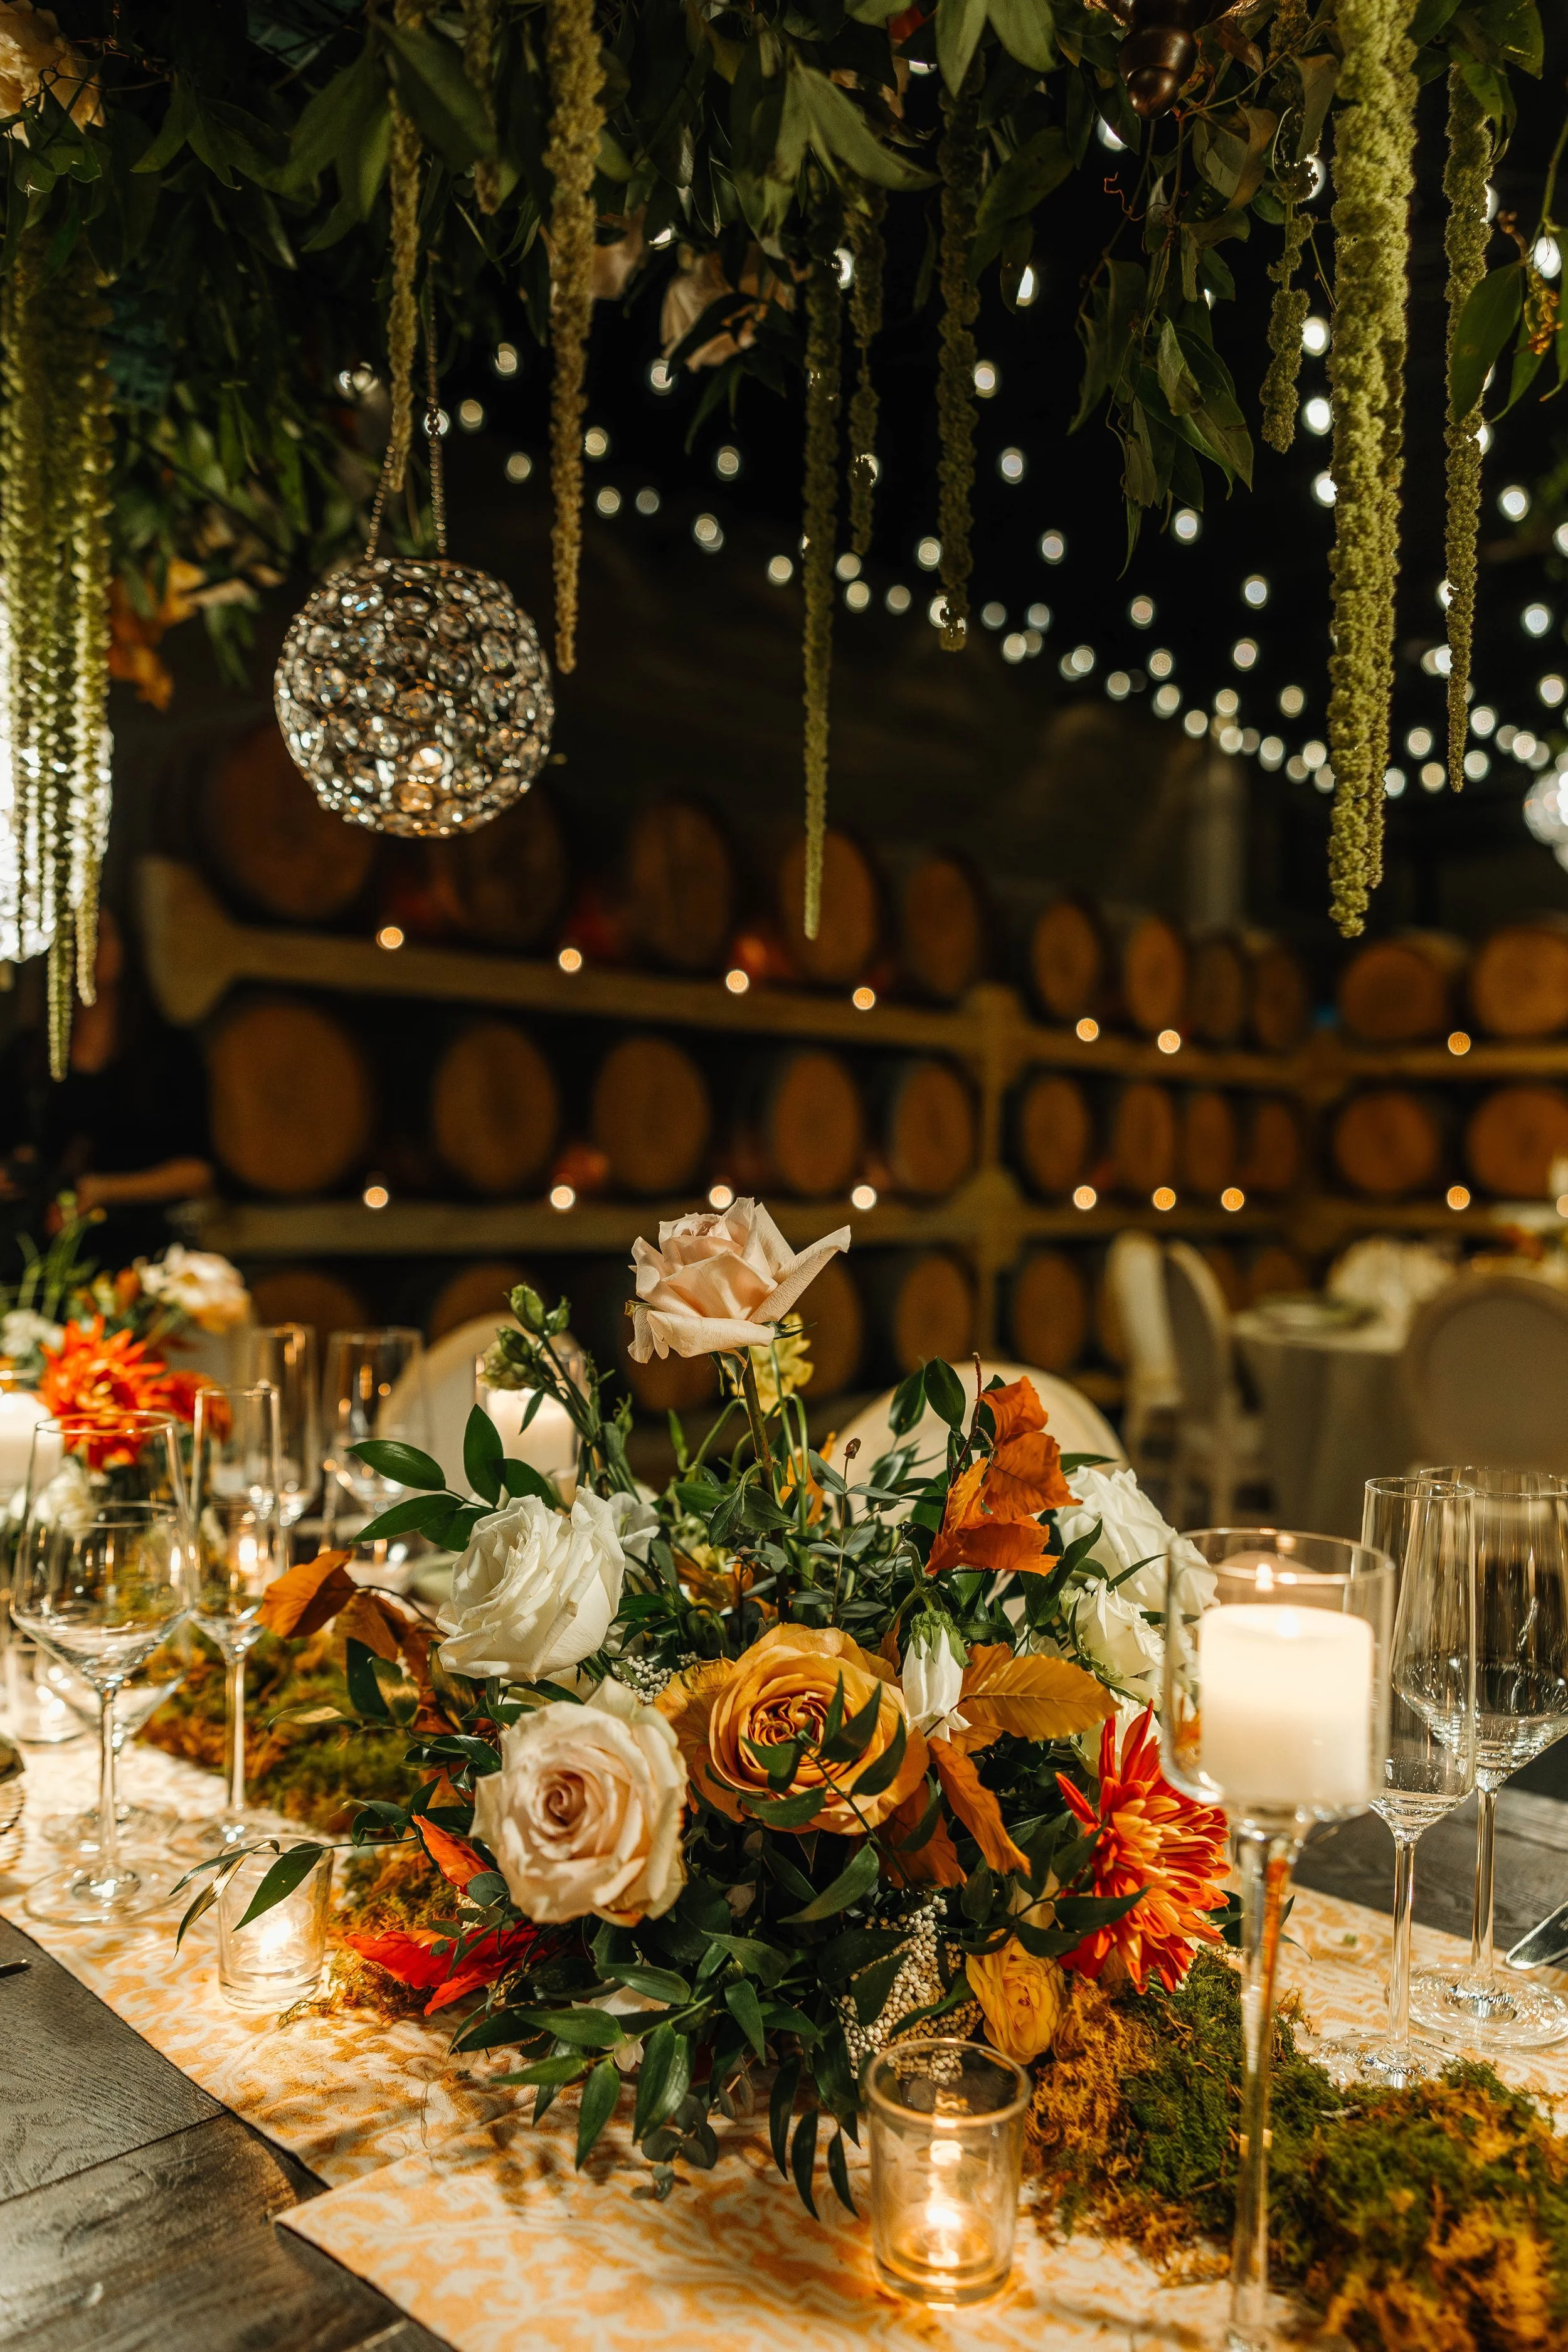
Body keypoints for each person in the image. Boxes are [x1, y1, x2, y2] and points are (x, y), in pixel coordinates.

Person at [0, 907, 213, 1266]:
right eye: (74, 939)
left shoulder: (167, 1052)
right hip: (34, 1256)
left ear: (127, 947)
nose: (88, 949)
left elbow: (198, 1173)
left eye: (98, 935)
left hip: (139, 1259)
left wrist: (101, 1191)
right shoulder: (28, 1055)